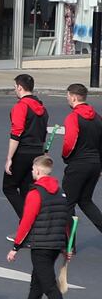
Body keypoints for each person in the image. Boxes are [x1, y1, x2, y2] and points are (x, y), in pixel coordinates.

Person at [5, 155, 73, 299]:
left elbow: (27, 221)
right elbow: (66, 221)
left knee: (50, 287)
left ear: (38, 171)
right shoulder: (60, 192)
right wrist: (68, 246)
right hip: (55, 245)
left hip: (41, 245)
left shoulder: (35, 193)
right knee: (37, 284)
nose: (32, 172)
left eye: (33, 169)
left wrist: (16, 247)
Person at [3, 74, 48, 221]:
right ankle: (30, 224)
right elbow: (43, 132)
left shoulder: (21, 107)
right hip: (37, 152)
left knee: (8, 187)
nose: (15, 90)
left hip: (22, 152)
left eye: (15, 87)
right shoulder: (42, 108)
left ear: (20, 87)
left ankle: (27, 222)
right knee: (26, 190)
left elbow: (16, 134)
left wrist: (9, 158)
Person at [61, 83, 102, 234]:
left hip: (78, 164)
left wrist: (65, 157)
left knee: (67, 203)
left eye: (68, 97)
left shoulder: (73, 117)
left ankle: (68, 244)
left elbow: (69, 142)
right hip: (95, 164)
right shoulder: (97, 118)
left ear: (73, 97)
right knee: (85, 201)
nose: (68, 100)